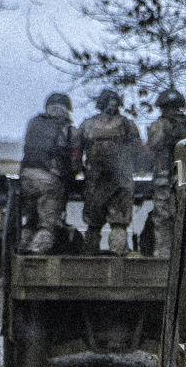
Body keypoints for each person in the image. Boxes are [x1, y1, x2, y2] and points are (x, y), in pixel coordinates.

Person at [75, 88, 145, 256]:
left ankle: (89, 260)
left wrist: (78, 170)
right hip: (120, 182)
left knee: (93, 225)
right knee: (119, 224)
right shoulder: (127, 125)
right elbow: (138, 151)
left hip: (95, 182)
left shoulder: (87, 125)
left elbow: (75, 152)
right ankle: (118, 261)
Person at [145, 88, 186, 254]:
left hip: (165, 178)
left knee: (163, 218)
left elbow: (152, 147)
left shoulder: (158, 126)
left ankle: (164, 256)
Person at [18, 92, 76, 254]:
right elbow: (73, 161)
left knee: (31, 221)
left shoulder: (33, 123)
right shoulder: (67, 129)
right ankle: (35, 257)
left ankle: (21, 250)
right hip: (49, 181)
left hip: (26, 177)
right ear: (66, 109)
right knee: (47, 225)